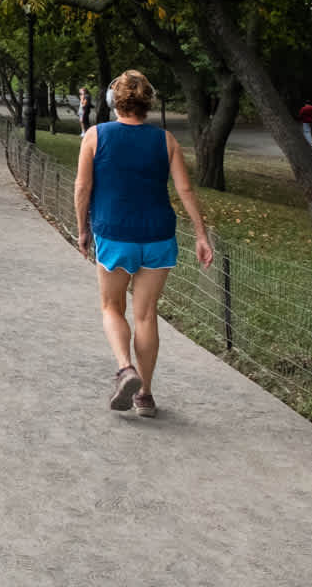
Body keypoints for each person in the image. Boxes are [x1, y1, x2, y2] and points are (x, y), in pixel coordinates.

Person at [74, 70, 213, 418]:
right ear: (148, 102)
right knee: (147, 314)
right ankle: (145, 396)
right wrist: (201, 235)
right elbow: (185, 190)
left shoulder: (95, 136)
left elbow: (82, 188)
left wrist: (82, 230)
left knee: (111, 307)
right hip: (158, 237)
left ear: (113, 100)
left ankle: (126, 369)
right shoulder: (166, 140)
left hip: (114, 234)